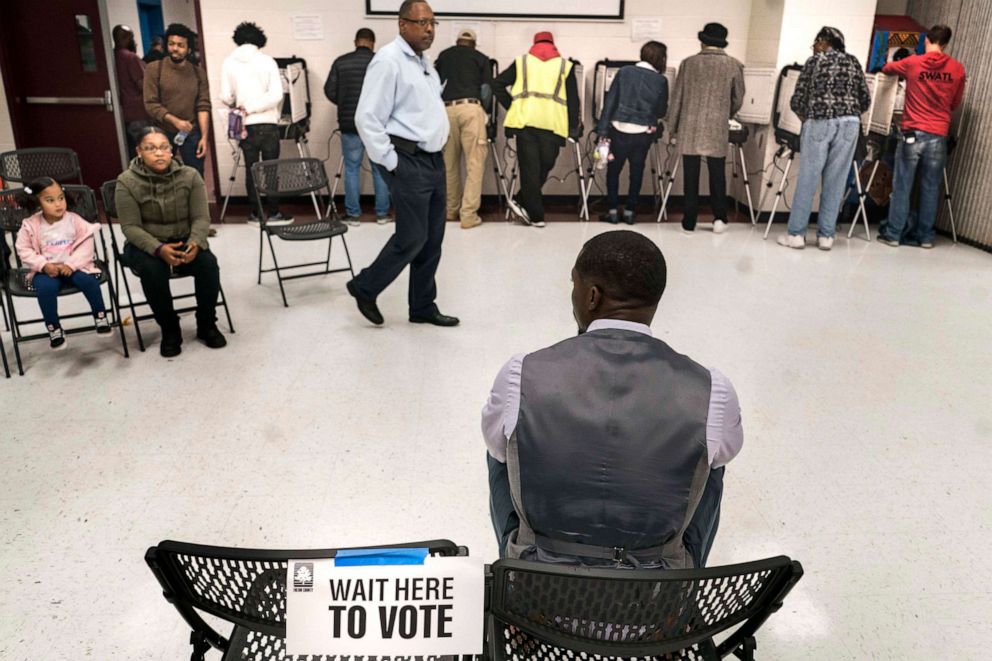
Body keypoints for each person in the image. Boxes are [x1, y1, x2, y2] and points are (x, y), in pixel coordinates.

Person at [483, 230, 742, 567]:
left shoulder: (521, 372)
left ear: (592, 296)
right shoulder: (712, 389)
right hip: (656, 605)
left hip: (538, 591)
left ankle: (525, 558)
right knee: (711, 461)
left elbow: (498, 449)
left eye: (573, 285)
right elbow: (725, 451)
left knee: (503, 444)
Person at [349, 0, 458, 328]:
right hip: (408, 161)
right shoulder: (388, 61)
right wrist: (392, 162)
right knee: (412, 237)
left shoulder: (423, 62)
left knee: (432, 240)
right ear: (402, 24)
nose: (429, 29)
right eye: (422, 22)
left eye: (433, 23)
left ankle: (422, 305)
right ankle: (365, 286)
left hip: (433, 161)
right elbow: (367, 118)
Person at [115, 127, 226, 357]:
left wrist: (195, 242)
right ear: (139, 151)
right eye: (151, 148)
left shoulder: (190, 176)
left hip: (184, 239)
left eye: (164, 147)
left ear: (171, 149)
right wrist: (158, 249)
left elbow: (201, 217)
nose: (159, 153)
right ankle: (170, 328)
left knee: (208, 264)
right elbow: (130, 227)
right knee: (152, 270)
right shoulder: (126, 181)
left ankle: (206, 324)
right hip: (147, 244)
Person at [777, 27, 870, 251]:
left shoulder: (814, 61)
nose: (814, 48)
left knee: (808, 178)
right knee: (836, 181)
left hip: (819, 120)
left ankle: (797, 235)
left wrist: (807, 119)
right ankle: (826, 237)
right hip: (850, 124)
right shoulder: (853, 62)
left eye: (815, 43)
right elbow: (865, 99)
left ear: (822, 42)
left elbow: (797, 99)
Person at [878, 24, 965, 249]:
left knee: (903, 185)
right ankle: (925, 237)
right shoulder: (957, 69)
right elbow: (955, 103)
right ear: (946, 44)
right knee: (930, 188)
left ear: (927, 40)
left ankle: (894, 234)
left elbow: (887, 68)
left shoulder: (913, 62)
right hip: (938, 135)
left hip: (912, 133)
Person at [493, 32, 580, 228]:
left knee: (533, 168)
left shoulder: (523, 63)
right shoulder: (565, 66)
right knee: (543, 166)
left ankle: (520, 200)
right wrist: (573, 126)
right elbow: (573, 100)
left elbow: (496, 84)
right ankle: (536, 215)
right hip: (551, 124)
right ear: (553, 44)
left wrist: (512, 106)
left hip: (530, 124)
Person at [14, 178, 111, 350]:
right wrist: (43, 265)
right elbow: (23, 249)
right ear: (37, 202)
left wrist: (72, 264)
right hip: (46, 271)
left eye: (61, 198)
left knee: (89, 282)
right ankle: (54, 328)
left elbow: (86, 245)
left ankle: (100, 316)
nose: (58, 204)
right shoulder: (30, 225)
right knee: (46, 290)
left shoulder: (74, 220)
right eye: (50, 200)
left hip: (74, 267)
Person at [668, 23, 744, 234]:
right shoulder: (734, 65)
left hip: (690, 126)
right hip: (716, 126)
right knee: (717, 173)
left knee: (690, 174)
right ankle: (719, 218)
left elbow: (677, 98)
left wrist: (672, 127)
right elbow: (738, 98)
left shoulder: (689, 64)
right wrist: (725, 113)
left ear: (702, 41)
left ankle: (689, 219)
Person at [220, 21, 293, 226]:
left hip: (245, 126)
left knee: (251, 169)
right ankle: (275, 212)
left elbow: (225, 96)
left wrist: (243, 106)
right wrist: (254, 106)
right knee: (271, 169)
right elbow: (277, 95)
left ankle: (256, 212)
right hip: (268, 124)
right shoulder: (267, 61)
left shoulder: (228, 62)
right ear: (259, 41)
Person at [595, 41, 669, 225]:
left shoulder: (624, 72)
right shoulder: (661, 80)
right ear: (661, 59)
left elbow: (610, 102)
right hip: (643, 133)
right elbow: (661, 111)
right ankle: (629, 211)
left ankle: (612, 210)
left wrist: (602, 130)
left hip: (618, 130)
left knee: (614, 170)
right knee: (636, 171)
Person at [325, 28, 392, 226]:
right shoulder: (382, 62)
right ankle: (382, 214)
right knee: (379, 169)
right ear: (373, 43)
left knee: (352, 169)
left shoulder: (341, 62)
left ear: (356, 42)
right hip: (376, 123)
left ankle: (353, 215)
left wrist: (344, 103)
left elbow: (329, 90)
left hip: (350, 123)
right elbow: (391, 93)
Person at [435, 28, 493, 229]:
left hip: (446, 111)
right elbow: (486, 91)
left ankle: (450, 210)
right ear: (474, 44)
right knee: (474, 164)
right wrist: (485, 112)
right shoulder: (481, 58)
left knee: (449, 165)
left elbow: (434, 84)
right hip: (471, 108)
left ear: (457, 41)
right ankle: (468, 215)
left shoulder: (444, 56)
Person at [143, 23, 211, 176]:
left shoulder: (198, 73)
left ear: (189, 49)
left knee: (195, 175)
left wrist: (204, 137)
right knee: (160, 174)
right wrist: (175, 121)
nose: (175, 49)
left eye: (180, 45)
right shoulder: (154, 69)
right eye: (171, 44)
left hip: (191, 131)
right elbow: (151, 104)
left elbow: (203, 106)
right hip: (162, 131)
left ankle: (195, 200)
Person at [112, 25, 150, 156]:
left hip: (121, 111)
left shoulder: (111, 57)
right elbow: (142, 84)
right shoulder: (131, 57)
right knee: (146, 147)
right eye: (132, 37)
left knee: (131, 150)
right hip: (137, 111)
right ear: (127, 39)